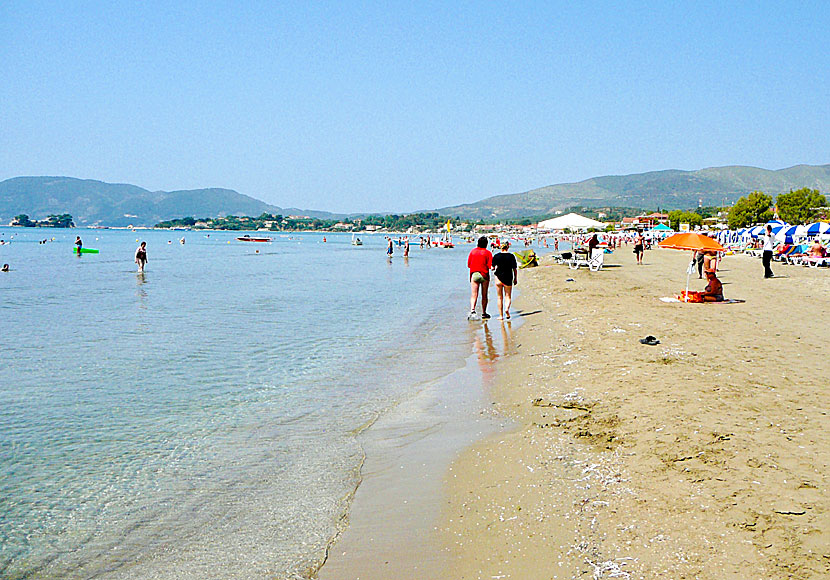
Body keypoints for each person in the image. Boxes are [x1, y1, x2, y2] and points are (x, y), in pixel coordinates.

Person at [467, 236, 493, 320]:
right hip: (484, 275)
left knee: (474, 294)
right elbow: (490, 266)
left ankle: (472, 310)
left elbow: (469, 265)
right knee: (484, 295)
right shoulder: (488, 253)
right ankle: (484, 313)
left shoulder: (473, 252)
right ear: (486, 244)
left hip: (474, 274)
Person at [492, 241, 517, 320]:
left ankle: (501, 316)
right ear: (507, 247)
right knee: (508, 296)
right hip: (508, 277)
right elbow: (514, 269)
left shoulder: (496, 256)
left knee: (499, 297)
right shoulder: (511, 256)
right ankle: (506, 309)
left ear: (500, 247)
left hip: (498, 277)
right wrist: (515, 278)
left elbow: (492, 267)